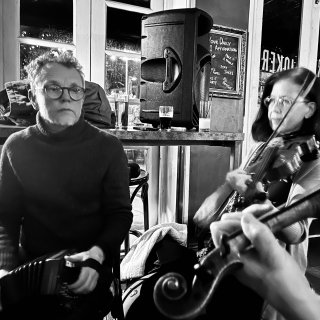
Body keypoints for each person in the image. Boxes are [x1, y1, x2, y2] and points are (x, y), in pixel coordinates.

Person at [0, 51, 133, 319]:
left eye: (75, 90)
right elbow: (7, 218)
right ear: (32, 98)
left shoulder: (108, 147)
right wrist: (4, 268)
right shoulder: (16, 146)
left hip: (89, 265)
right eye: (53, 88)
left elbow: (120, 215)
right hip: (33, 267)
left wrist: (98, 255)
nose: (66, 97)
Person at [194, 67, 320, 320]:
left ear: (310, 109)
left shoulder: (312, 161)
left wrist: (259, 198)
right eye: (271, 99)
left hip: (267, 269)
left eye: (286, 100)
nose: (275, 107)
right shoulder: (261, 149)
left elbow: (296, 233)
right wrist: (229, 184)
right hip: (232, 249)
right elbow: (201, 218)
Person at [210, 203, 320, 320]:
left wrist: (273, 214)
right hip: (242, 263)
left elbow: (297, 232)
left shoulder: (303, 186)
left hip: (268, 277)